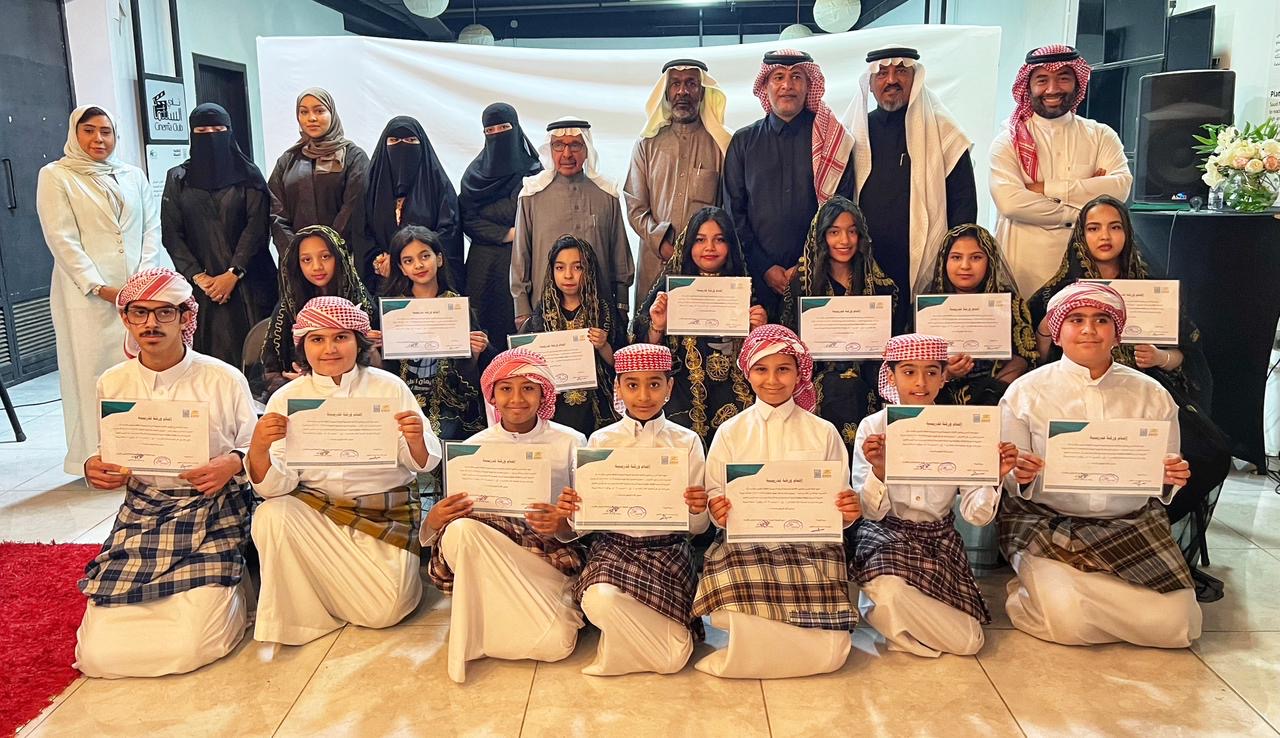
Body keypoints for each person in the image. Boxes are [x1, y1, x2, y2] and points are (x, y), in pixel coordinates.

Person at [998, 282, 1202, 647]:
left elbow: (1165, 468)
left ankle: (1075, 594)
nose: (1089, 330)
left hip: (1131, 523)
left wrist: (1168, 476)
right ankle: (1046, 592)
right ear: (1057, 332)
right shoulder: (1025, 392)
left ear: (1117, 333)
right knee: (1069, 623)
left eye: (1101, 320)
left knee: (1179, 624)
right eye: (1076, 320)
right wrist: (1020, 474)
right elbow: (1014, 477)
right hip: (1048, 522)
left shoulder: (1152, 394)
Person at [76, 268, 256, 678]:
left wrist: (232, 462)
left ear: (185, 317)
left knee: (192, 646)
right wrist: (95, 467)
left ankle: (235, 590)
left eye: (164, 313)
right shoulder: (113, 382)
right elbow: (106, 449)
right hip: (144, 512)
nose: (151, 324)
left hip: (213, 510)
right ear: (126, 318)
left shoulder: (223, 378)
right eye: (139, 313)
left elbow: (256, 445)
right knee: (98, 656)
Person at [248, 296, 441, 646]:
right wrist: (259, 448)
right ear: (303, 345)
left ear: (358, 342)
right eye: (317, 339)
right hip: (316, 514)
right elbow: (276, 486)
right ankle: (307, 616)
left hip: (384, 514)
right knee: (271, 515)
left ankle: (320, 591)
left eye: (340, 337)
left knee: (386, 611)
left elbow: (422, 463)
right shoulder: (287, 397)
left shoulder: (388, 387)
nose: (330, 349)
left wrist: (415, 438)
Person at [691, 325, 861, 678]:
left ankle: (764, 650)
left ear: (799, 373)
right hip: (745, 545)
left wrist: (847, 512)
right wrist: (717, 510)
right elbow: (714, 495)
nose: (772, 380)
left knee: (834, 651)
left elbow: (838, 503)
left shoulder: (822, 431)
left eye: (783, 369)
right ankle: (786, 645)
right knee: (731, 612)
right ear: (747, 373)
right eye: (761, 369)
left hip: (810, 547)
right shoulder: (730, 432)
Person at [849, 334, 1019, 657]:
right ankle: (887, 608)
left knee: (969, 642)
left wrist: (993, 477)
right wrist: (880, 471)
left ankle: (902, 624)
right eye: (909, 372)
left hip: (939, 539)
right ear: (891, 376)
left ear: (943, 377)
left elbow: (976, 516)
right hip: (885, 536)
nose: (920, 383)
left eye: (931, 372)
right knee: (892, 593)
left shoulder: (963, 428)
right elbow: (869, 512)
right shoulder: (873, 428)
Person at [425, 348, 588, 683]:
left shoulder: (571, 442)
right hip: (489, 554)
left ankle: (489, 627)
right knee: (462, 530)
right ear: (492, 396)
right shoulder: (473, 447)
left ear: (543, 394)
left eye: (528, 388)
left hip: (547, 557)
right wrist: (434, 519)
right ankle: (472, 635)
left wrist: (562, 523)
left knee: (556, 644)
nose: (516, 399)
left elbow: (582, 522)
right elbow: (451, 524)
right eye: (505, 389)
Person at [551, 344, 709, 676]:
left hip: (668, 551)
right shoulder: (599, 441)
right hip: (614, 550)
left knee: (674, 658)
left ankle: (633, 645)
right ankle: (641, 647)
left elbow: (697, 529)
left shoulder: (687, 441)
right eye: (632, 384)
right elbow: (582, 526)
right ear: (619, 388)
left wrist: (698, 509)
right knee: (599, 599)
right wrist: (570, 513)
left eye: (655, 384)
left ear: (669, 387)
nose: (643, 395)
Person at [37, 104, 170, 475]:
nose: (99, 139)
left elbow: (150, 229)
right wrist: (101, 287)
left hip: (140, 296)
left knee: (142, 373)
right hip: (89, 298)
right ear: (74, 134)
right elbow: (61, 238)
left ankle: (146, 454)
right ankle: (100, 459)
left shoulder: (132, 174)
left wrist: (142, 283)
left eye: (106, 131)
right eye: (89, 130)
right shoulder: (57, 175)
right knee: (95, 377)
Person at [721, 49, 856, 317]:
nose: (787, 85)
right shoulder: (744, 141)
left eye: (796, 77)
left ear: (808, 86)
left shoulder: (832, 141)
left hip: (819, 276)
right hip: (755, 278)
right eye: (778, 77)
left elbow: (842, 210)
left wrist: (805, 264)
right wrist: (765, 267)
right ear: (765, 86)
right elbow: (733, 212)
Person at [990, 45, 1133, 296]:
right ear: (1028, 86)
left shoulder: (1101, 135)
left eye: (1063, 78)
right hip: (1025, 269)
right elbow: (1011, 203)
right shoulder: (1008, 142)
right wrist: (1085, 209)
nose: (1052, 89)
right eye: (1042, 80)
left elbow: (1119, 189)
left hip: (1088, 268)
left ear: (1077, 83)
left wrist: (1046, 188)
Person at [843, 46, 977, 297]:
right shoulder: (855, 131)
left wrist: (958, 259)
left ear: (915, 79)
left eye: (901, 71)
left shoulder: (942, 130)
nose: (891, 80)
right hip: (865, 259)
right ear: (870, 84)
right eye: (882, 73)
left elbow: (964, 202)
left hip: (927, 255)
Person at [632, 207, 767, 444]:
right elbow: (642, 350)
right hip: (681, 392)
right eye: (700, 240)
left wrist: (759, 332)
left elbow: (765, 358)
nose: (709, 248)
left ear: (730, 245)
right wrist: (657, 326)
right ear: (688, 245)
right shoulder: (669, 288)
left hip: (732, 391)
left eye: (719, 240)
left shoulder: (747, 288)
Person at [161, 103, 278, 369]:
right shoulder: (178, 178)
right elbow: (172, 233)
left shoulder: (248, 175)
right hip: (202, 289)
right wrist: (199, 277)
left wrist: (233, 273)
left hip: (250, 282)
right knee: (207, 363)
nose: (211, 136)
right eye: (202, 131)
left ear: (229, 131)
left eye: (218, 129)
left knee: (257, 360)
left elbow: (257, 227)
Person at [779, 196, 899, 448]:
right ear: (822, 236)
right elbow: (788, 340)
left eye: (852, 231)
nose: (844, 241)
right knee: (836, 389)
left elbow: (893, 345)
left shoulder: (881, 285)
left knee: (853, 388)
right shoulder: (802, 282)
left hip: (868, 377)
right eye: (834, 232)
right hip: (817, 377)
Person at [623, 59, 732, 310]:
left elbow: (728, 209)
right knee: (651, 330)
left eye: (691, 83)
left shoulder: (722, 145)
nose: (682, 91)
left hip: (707, 270)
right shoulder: (646, 145)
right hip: (655, 264)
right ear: (666, 92)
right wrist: (661, 244)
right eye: (675, 84)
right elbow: (635, 206)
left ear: (702, 92)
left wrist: (702, 251)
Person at [511, 117, 634, 331]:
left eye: (575, 145)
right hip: (545, 312)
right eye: (559, 145)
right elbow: (520, 257)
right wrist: (522, 310)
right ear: (550, 150)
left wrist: (622, 306)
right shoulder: (531, 195)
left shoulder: (606, 195)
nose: (567, 154)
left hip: (599, 313)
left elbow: (620, 256)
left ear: (587, 149)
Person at [380, 224, 489, 443]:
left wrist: (476, 351)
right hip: (405, 399)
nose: (418, 265)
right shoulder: (392, 310)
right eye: (408, 260)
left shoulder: (456, 306)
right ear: (401, 268)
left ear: (439, 259)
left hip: (450, 403)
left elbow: (468, 372)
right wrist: (374, 347)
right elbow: (384, 370)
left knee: (448, 435)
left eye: (425, 256)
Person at [924, 223, 1037, 406]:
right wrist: (946, 373)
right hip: (936, 395)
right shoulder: (925, 306)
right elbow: (911, 364)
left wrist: (992, 390)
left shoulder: (1009, 303)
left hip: (997, 396)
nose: (965, 266)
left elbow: (1024, 357)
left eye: (976, 257)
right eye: (956, 257)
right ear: (944, 261)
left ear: (990, 260)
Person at [522, 235, 625, 436]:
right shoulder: (542, 313)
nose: (568, 275)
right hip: (554, 405)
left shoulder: (603, 311)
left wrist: (603, 345)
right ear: (552, 271)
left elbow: (619, 363)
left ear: (589, 270)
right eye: (560, 268)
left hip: (596, 405)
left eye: (578, 267)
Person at [257, 224, 372, 401]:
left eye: (325, 257)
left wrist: (370, 346)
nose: (317, 266)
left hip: (361, 395)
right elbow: (270, 369)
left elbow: (379, 367)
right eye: (306, 260)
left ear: (339, 257)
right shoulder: (287, 307)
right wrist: (302, 383)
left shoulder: (362, 302)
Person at [460, 103, 543, 344]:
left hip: (524, 261)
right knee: (481, 328)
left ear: (515, 128)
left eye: (503, 128)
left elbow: (537, 215)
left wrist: (515, 231)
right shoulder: (474, 175)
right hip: (483, 264)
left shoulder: (535, 172)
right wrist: (508, 233)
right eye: (490, 130)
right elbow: (467, 219)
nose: (497, 134)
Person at [268, 88, 370, 262]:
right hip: (296, 261)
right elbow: (275, 211)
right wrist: (298, 254)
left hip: (341, 257)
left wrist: (327, 251)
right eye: (304, 112)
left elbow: (353, 207)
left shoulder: (353, 156)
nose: (311, 118)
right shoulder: (288, 160)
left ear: (332, 113)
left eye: (319, 111)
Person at [365, 116, 463, 291]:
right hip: (382, 280)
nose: (402, 146)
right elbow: (362, 233)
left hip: (430, 283)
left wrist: (411, 258)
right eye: (394, 141)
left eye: (410, 140)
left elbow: (449, 231)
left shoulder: (438, 185)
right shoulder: (371, 187)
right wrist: (379, 260)